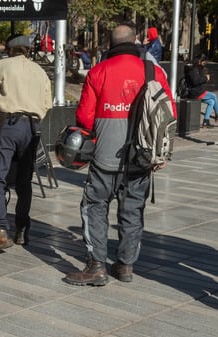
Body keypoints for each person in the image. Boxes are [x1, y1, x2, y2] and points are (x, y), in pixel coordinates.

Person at [65, 21, 176, 286]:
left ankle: (97, 266)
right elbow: (168, 113)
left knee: (94, 206)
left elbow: (85, 118)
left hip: (104, 156)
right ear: (136, 41)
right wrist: (162, 153)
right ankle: (125, 265)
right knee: (132, 210)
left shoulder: (98, 72)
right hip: (142, 156)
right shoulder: (153, 71)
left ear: (110, 45)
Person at [0, 33, 53, 253]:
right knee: (24, 181)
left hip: (10, 125)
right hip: (33, 127)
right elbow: (47, 104)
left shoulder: (1, 66)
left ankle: (0, 230)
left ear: (10, 50)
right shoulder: (40, 71)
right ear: (28, 50)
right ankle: (22, 229)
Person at [184, 57, 218, 128]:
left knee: (211, 102)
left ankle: (206, 121)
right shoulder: (193, 69)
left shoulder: (196, 69)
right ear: (199, 61)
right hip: (195, 92)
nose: (204, 64)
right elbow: (196, 81)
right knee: (214, 96)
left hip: (196, 91)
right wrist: (205, 78)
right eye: (203, 62)